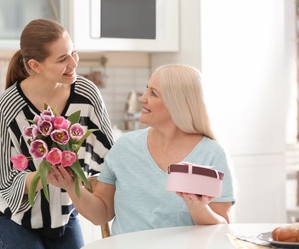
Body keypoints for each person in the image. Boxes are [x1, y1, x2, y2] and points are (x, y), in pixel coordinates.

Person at [48, 64, 235, 236]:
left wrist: (198, 208)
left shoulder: (211, 154)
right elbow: (101, 214)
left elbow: (221, 228)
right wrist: (72, 187)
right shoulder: (124, 147)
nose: (142, 98)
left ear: (176, 103)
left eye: (153, 93)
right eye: (147, 89)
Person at [0, 18, 114, 249]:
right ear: (36, 65)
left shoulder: (86, 94)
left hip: (63, 215)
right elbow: (6, 182)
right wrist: (46, 173)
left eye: (73, 52)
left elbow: (110, 157)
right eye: (62, 59)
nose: (73, 63)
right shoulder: (9, 105)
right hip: (15, 218)